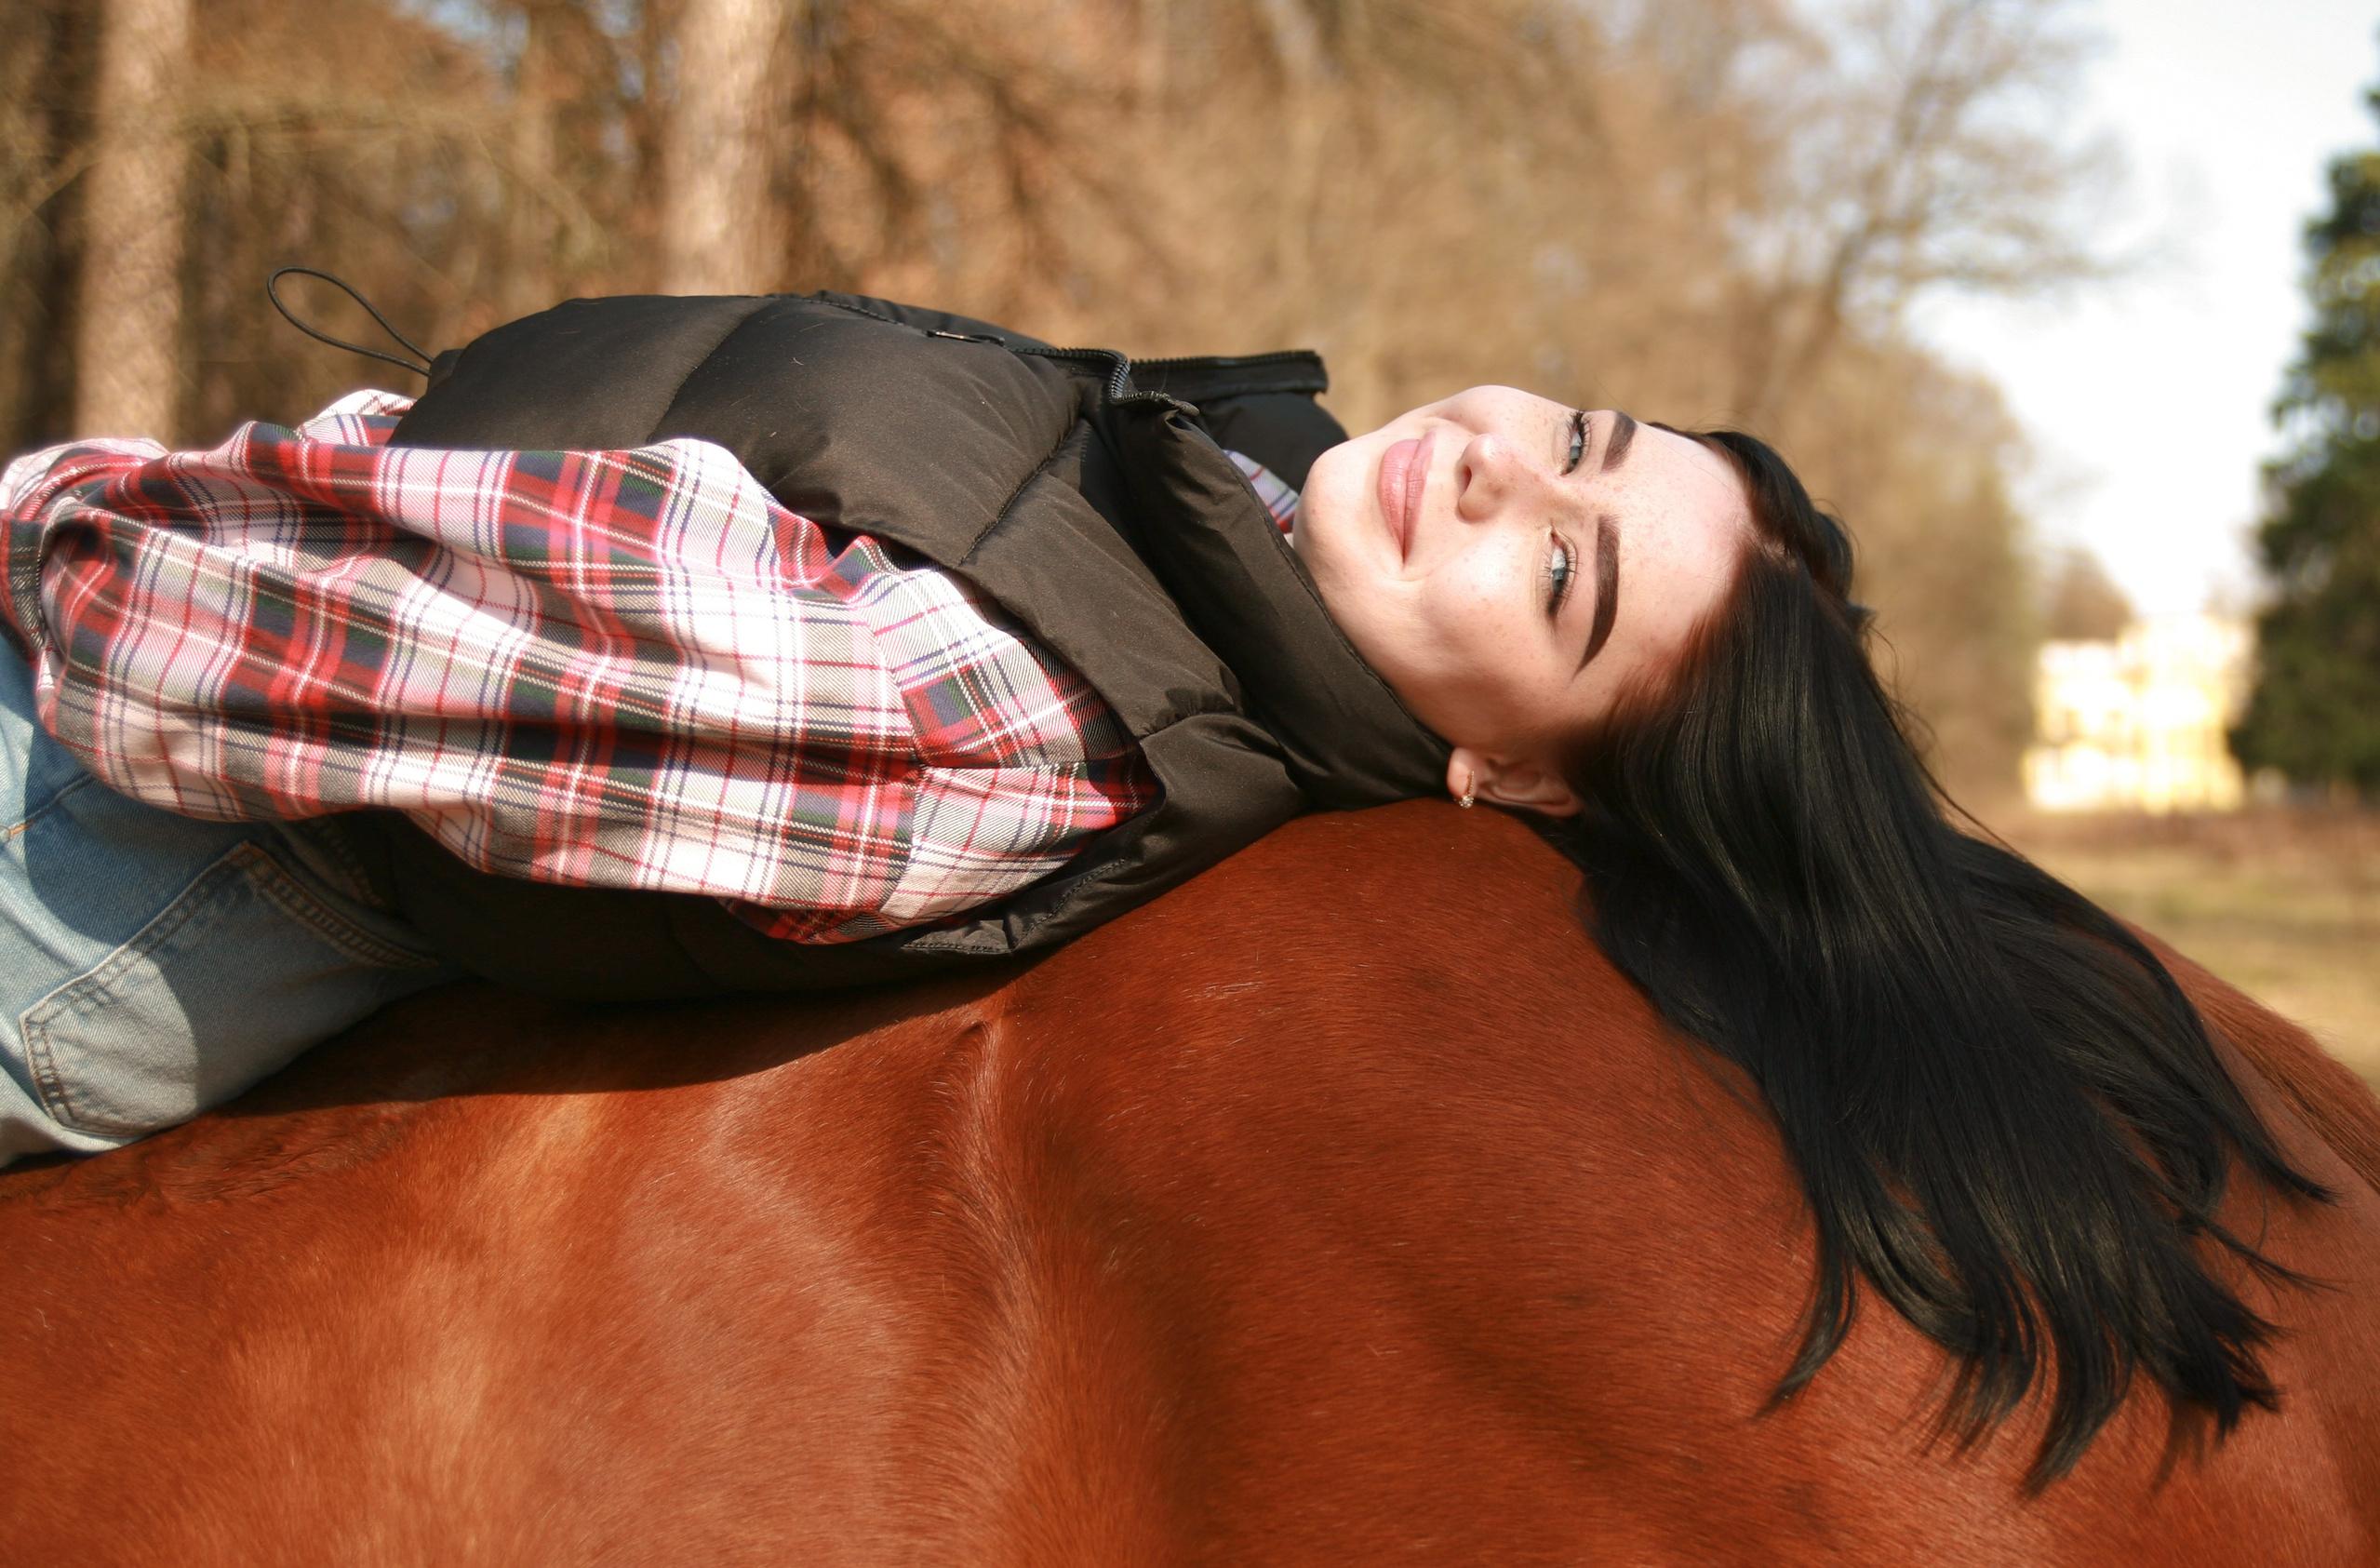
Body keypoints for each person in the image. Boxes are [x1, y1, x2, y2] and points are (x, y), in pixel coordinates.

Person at [0, 288, 2328, 1481]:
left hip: (113, 857)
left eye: (1565, 578)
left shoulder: (999, 710)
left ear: (1504, 779)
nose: (1496, 477)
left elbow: (257, 655)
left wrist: (52, 520)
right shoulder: (1191, 515)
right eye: (1580, 442)